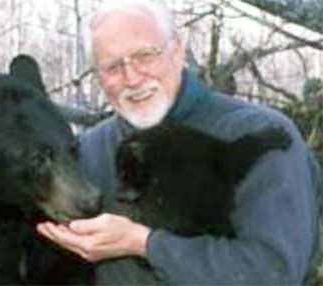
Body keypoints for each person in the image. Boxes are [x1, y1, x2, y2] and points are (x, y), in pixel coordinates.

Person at [37, 0, 322, 284]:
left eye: (145, 55)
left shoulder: (256, 134)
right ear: (98, 77)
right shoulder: (89, 151)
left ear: (177, 49)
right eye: (113, 67)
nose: (132, 77)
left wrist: (145, 244)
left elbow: (272, 272)